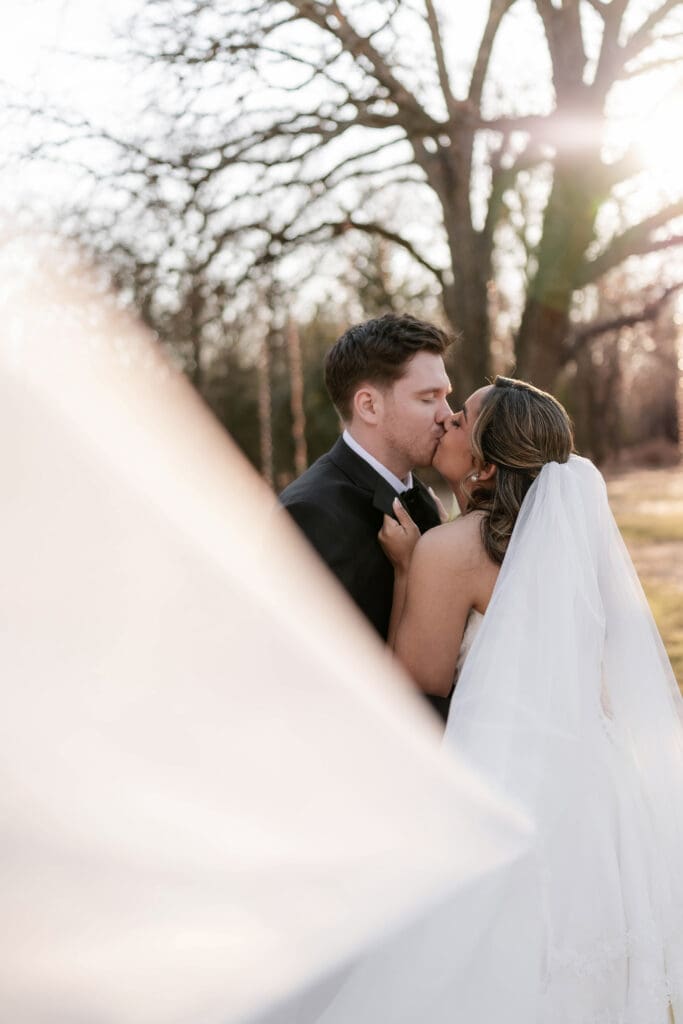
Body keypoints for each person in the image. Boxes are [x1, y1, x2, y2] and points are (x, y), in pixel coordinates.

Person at [379, 375, 683, 1021]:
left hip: (504, 779)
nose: (445, 424)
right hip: (596, 786)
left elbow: (422, 673)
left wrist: (406, 570)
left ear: (486, 463)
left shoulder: (447, 550)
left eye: (459, 420)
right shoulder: (577, 546)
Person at [281, 312, 454, 720]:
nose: (447, 414)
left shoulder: (422, 497)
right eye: (428, 398)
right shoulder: (309, 514)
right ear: (369, 405)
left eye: (446, 395)